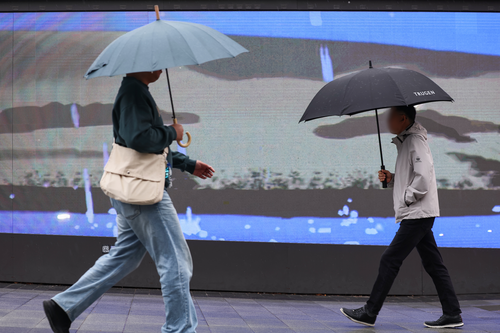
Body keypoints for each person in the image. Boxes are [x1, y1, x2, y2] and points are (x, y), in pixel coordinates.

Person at [42, 70, 215, 333]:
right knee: (176, 262)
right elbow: (140, 140)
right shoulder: (134, 93)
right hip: (145, 196)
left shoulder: (135, 92)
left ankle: (63, 307)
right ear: (140, 65)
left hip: (131, 191)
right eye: (155, 63)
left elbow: (143, 149)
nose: (160, 68)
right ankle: (179, 330)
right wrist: (172, 131)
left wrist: (187, 164)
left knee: (124, 257)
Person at [340, 105, 463, 329]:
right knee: (434, 264)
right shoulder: (407, 142)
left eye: (391, 117)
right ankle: (453, 313)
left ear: (403, 118)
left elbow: (423, 178)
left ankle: (370, 311)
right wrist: (393, 178)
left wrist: (407, 198)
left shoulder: (414, 141)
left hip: (417, 213)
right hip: (419, 212)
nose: (387, 121)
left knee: (390, 259)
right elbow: (413, 175)